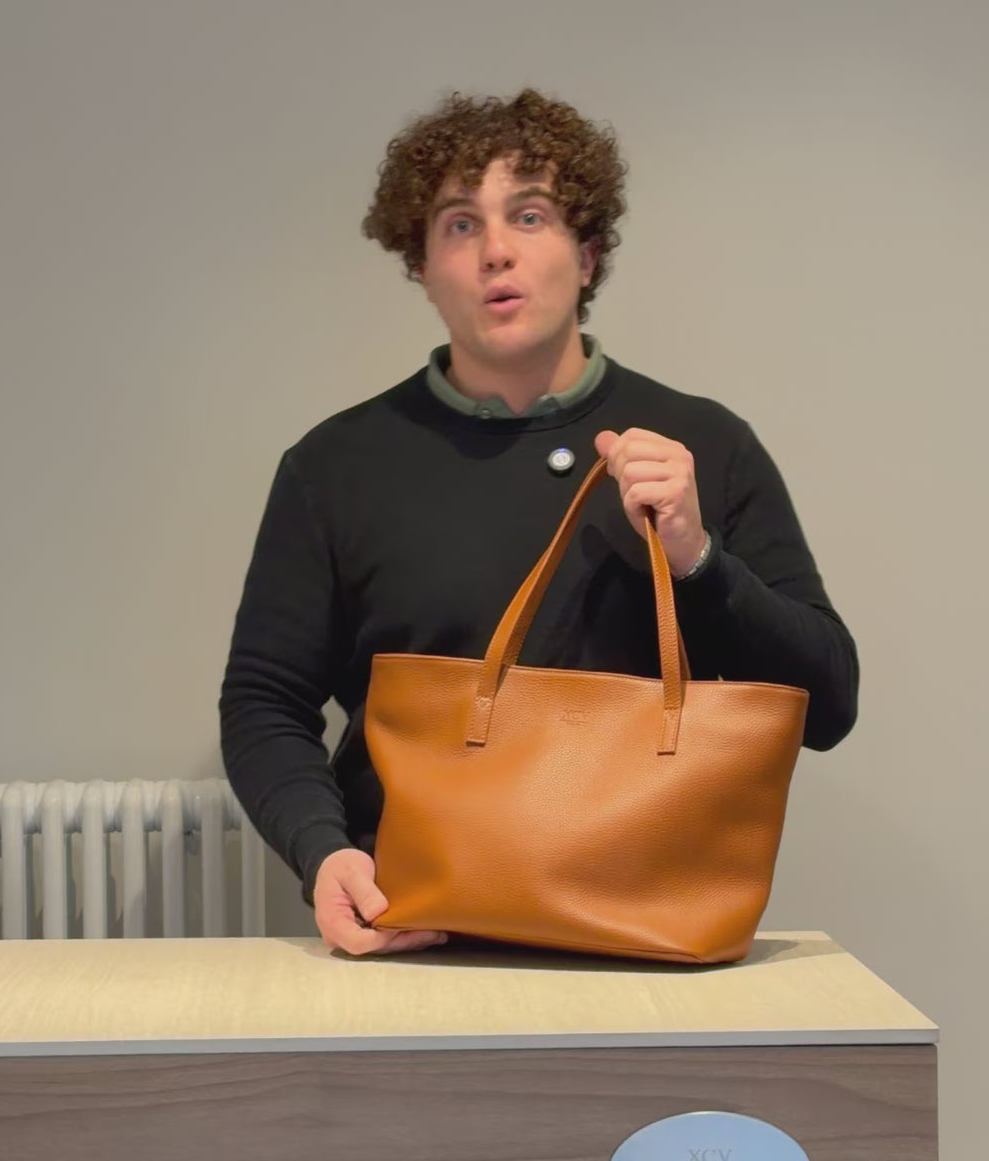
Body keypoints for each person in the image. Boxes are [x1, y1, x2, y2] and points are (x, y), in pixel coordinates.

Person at [219, 87, 858, 959]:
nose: (495, 251)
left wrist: (697, 557)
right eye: (458, 224)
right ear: (422, 268)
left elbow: (827, 705)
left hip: (650, 945)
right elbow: (265, 701)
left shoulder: (704, 447)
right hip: (415, 931)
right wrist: (323, 852)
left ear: (587, 255)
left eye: (529, 215)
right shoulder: (336, 465)